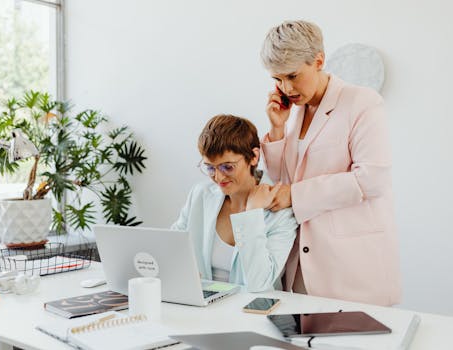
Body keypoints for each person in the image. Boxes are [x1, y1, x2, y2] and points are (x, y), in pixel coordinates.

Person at [259, 20, 401, 306]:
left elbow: (371, 179)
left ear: (319, 61)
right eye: (277, 79)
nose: (286, 88)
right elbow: (283, 180)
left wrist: (295, 196)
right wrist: (277, 129)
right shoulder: (295, 113)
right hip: (300, 266)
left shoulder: (362, 102)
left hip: (351, 270)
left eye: (292, 76)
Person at [172, 114, 298, 292]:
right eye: (210, 167)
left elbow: (259, 284)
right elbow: (173, 247)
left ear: (253, 157)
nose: (218, 177)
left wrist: (251, 214)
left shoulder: (281, 210)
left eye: (227, 167)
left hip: (255, 314)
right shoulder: (200, 195)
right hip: (203, 309)